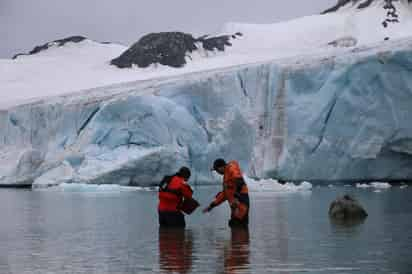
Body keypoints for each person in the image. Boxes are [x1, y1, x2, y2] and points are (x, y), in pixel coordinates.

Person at [203, 159, 250, 227]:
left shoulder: (231, 168)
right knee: (234, 225)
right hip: (235, 206)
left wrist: (236, 198)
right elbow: (224, 194)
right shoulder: (226, 177)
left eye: (217, 170)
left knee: (240, 226)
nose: (217, 172)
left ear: (221, 167)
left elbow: (240, 182)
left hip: (241, 202)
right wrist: (212, 206)